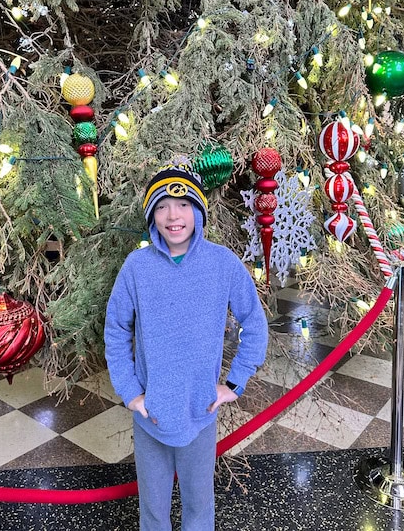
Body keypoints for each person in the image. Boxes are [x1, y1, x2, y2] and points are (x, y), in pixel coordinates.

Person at [104, 159, 269, 531]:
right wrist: (131, 392)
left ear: (198, 211)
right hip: (151, 417)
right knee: (154, 513)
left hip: (200, 412)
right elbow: (116, 330)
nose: (173, 215)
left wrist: (233, 383)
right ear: (151, 217)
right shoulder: (136, 267)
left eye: (183, 205)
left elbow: (255, 324)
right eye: (161, 206)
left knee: (199, 510)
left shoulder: (222, 264)